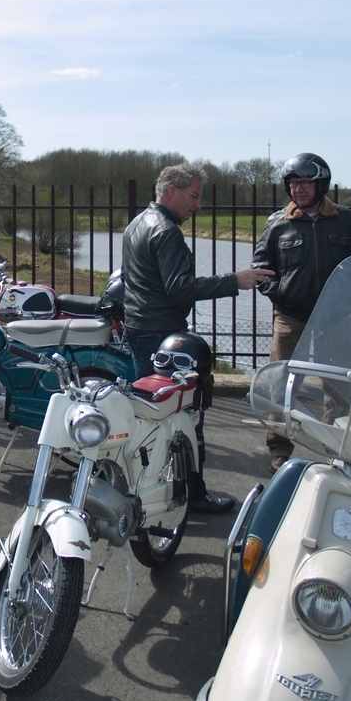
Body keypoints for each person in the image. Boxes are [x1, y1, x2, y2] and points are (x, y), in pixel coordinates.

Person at [121, 163, 274, 513]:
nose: (198, 205)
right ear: (171, 191)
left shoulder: (137, 223)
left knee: (149, 415)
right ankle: (194, 495)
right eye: (194, 196)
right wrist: (235, 280)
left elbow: (134, 280)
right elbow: (179, 288)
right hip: (163, 334)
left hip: (139, 329)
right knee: (186, 416)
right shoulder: (166, 231)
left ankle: (145, 490)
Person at [251, 153, 351, 474]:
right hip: (291, 317)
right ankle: (279, 448)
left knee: (340, 385)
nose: (298, 189)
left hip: (336, 317)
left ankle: (337, 447)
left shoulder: (346, 221)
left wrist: (346, 297)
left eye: (305, 183)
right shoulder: (278, 223)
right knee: (281, 385)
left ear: (321, 184)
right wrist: (281, 294)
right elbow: (261, 268)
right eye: (293, 183)